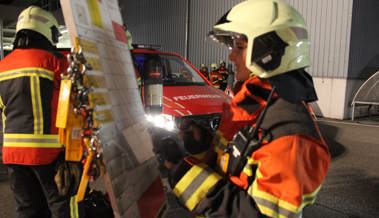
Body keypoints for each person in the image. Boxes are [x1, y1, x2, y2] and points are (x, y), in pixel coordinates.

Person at [160, 0, 330, 217]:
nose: (231, 56)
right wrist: (201, 145)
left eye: (239, 47)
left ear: (269, 53)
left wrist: (184, 175)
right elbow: (234, 169)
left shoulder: (289, 138)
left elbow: (258, 215)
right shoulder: (254, 106)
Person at [0, 6, 76, 218]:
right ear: (46, 30)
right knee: (63, 208)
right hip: (49, 155)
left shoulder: (2, 66)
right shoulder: (55, 63)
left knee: (27, 211)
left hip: (13, 155)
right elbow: (73, 106)